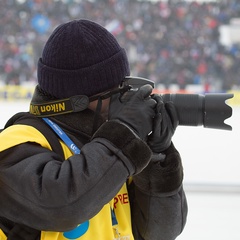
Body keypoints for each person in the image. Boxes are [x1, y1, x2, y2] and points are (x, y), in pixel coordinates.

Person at [0, 19, 187, 240]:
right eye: (117, 91)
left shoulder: (112, 146)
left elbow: (160, 232)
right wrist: (124, 132)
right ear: (79, 101)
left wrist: (157, 157)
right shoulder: (15, 144)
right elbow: (64, 207)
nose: (125, 99)